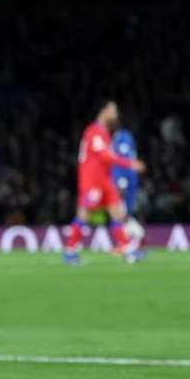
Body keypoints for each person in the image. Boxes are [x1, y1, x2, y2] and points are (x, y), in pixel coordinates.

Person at [63, 100, 146, 265]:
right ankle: (70, 251)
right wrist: (129, 163)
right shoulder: (94, 131)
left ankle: (128, 249)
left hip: (105, 181)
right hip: (92, 182)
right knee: (84, 215)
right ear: (103, 111)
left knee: (117, 213)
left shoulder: (104, 132)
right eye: (112, 110)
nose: (115, 114)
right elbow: (104, 156)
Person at [111, 127, 144, 243]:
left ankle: (138, 236)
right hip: (128, 177)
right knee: (122, 213)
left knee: (120, 212)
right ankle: (130, 240)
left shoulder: (122, 137)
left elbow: (124, 159)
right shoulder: (125, 136)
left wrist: (122, 181)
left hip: (124, 178)